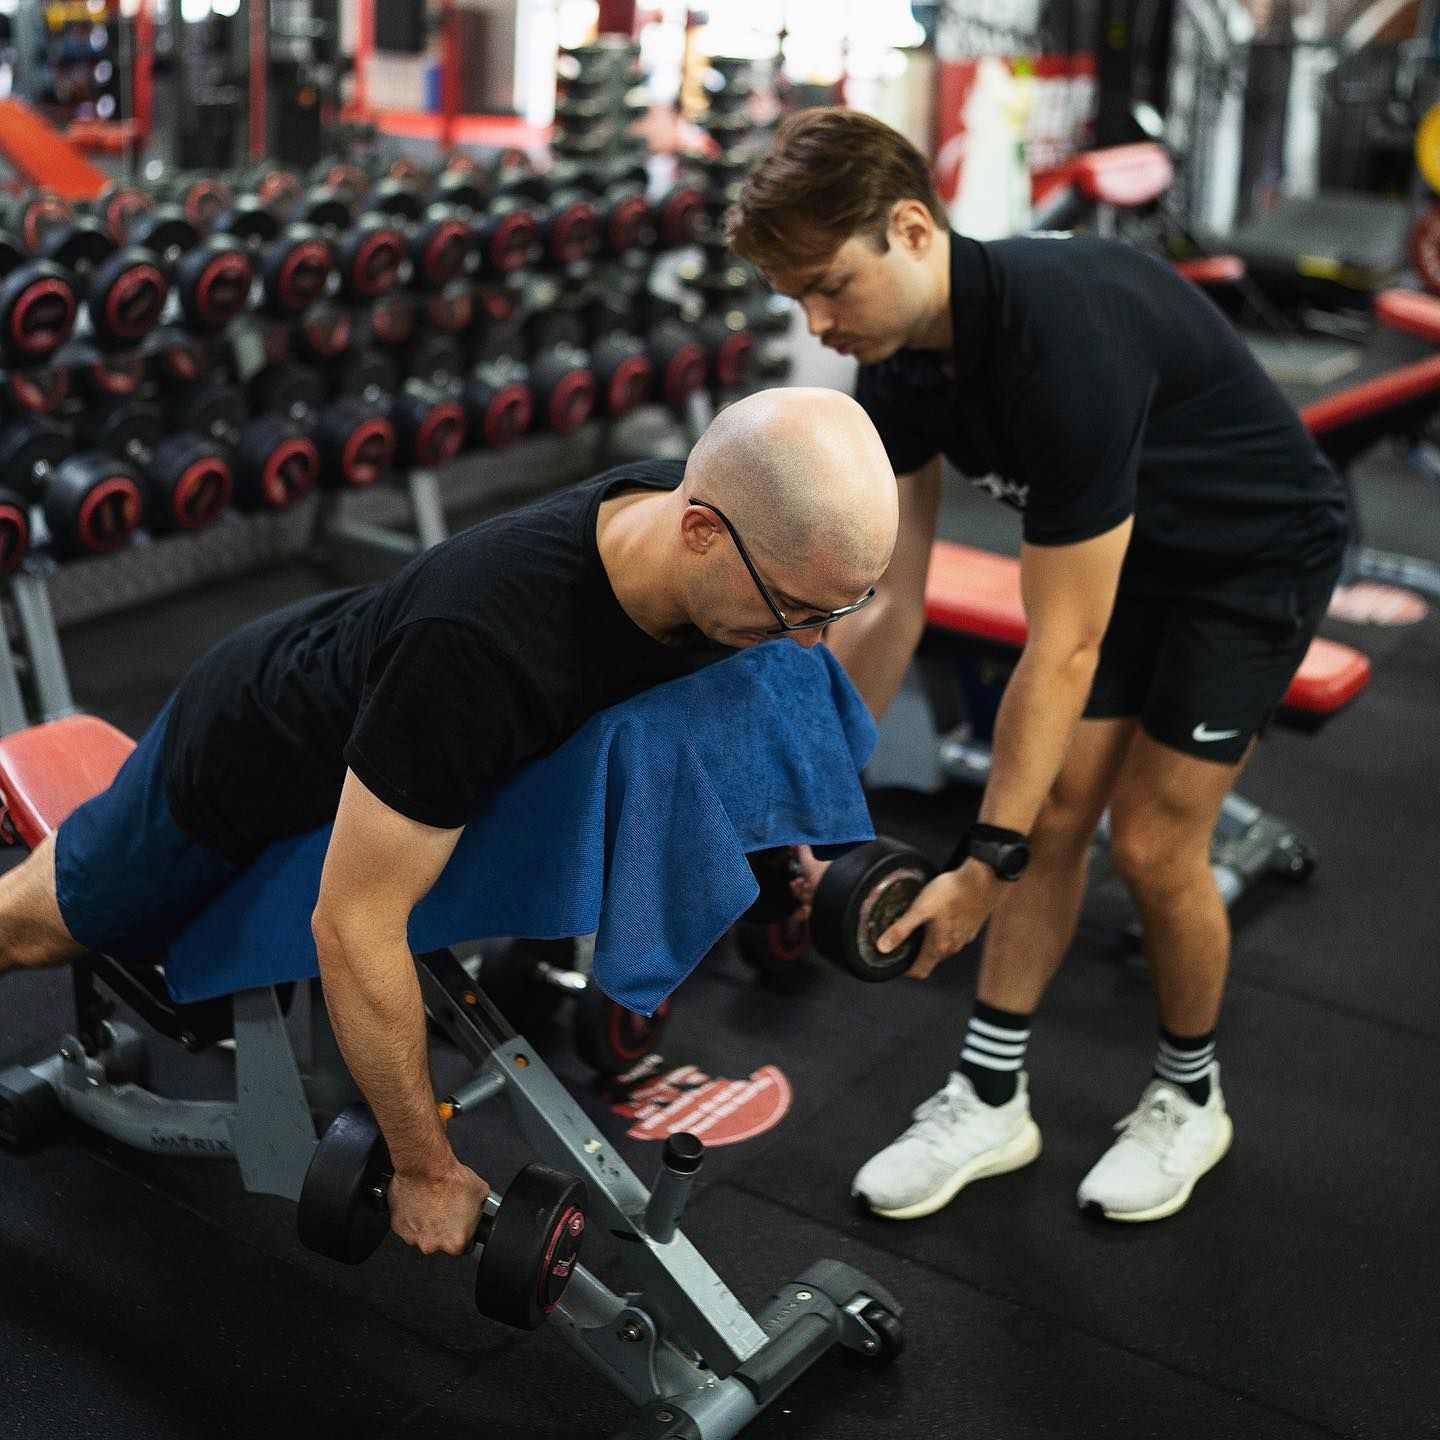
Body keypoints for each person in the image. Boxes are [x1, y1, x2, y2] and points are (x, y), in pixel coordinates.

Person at [0, 386, 899, 1253]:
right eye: (796, 612)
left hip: (377, 683)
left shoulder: (709, 536)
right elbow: (353, 927)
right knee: (47, 928)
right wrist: (422, 1168)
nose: (810, 643)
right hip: (242, 750)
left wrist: (801, 859)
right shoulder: (480, 647)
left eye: (836, 611)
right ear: (697, 528)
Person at [728, 109, 1350, 1223]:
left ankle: (1188, 1098)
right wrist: (800, 804)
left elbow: (1059, 647)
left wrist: (981, 860)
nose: (820, 325)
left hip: (1250, 559)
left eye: (830, 286)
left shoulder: (1061, 341)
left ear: (912, 229)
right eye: (797, 302)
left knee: (1153, 841)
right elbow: (894, 599)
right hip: (1121, 559)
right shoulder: (904, 364)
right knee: (1059, 806)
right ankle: (991, 1094)